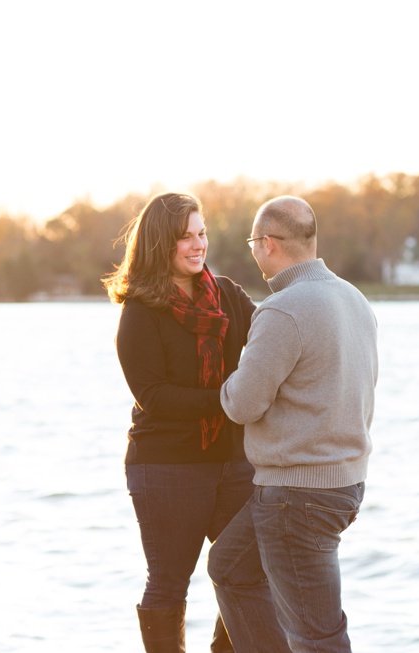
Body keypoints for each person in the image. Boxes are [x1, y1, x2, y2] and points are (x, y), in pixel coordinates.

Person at [207, 195, 378, 653]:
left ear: (267, 244)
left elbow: (243, 404)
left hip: (296, 496)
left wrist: (228, 380)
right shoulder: (353, 298)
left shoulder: (283, 309)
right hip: (343, 484)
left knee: (317, 636)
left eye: (252, 243)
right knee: (229, 567)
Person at [104, 192, 261, 652]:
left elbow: (273, 337)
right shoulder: (140, 311)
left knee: (248, 570)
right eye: (184, 237)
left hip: (233, 460)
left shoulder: (228, 295)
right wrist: (230, 399)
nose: (198, 245)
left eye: (201, 233)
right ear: (159, 244)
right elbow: (153, 397)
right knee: (171, 583)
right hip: (166, 467)